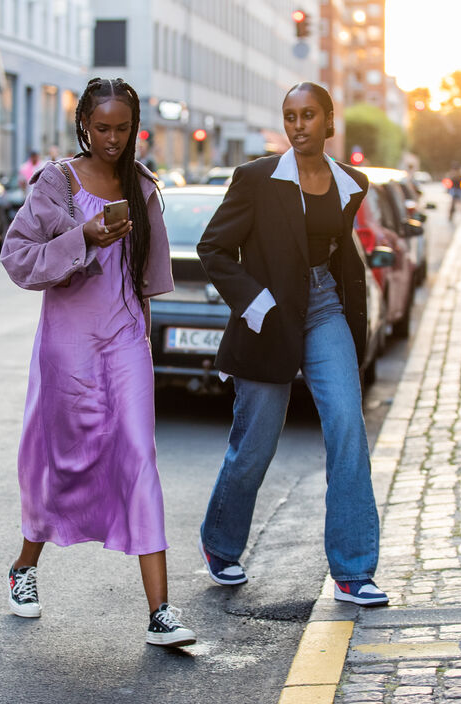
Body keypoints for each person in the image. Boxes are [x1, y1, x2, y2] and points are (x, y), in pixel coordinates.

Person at [0, 77, 196, 648]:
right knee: (63, 460)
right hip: (69, 341)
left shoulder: (143, 187)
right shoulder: (55, 183)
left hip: (126, 339)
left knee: (138, 455)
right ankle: (25, 566)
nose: (112, 139)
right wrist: (82, 236)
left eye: (123, 128)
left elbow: (147, 278)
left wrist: (145, 333)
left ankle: (160, 612)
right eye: (102, 127)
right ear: (84, 122)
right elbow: (17, 258)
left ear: (135, 127)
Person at [195, 82, 387, 607]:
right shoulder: (257, 179)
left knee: (348, 425)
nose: (298, 125)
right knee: (255, 441)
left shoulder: (352, 183)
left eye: (308, 115)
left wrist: (353, 315)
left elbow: (337, 255)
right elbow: (213, 248)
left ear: (329, 120)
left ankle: (354, 570)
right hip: (270, 314)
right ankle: (221, 544)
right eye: (290, 116)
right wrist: (256, 303)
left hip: (325, 308)